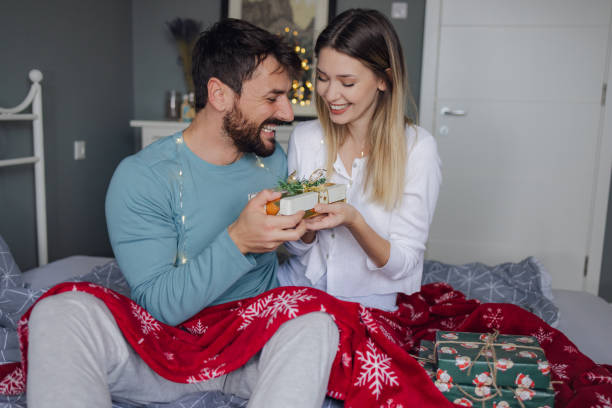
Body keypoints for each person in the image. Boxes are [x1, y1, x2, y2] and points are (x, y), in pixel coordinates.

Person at [26, 19, 339, 408]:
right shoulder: (142, 177)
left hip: (249, 349)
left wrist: (305, 229)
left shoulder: (271, 159)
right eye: (272, 98)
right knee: (57, 313)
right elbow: (161, 307)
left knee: (317, 322)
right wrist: (238, 240)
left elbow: (289, 252)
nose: (289, 114)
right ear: (219, 94)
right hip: (162, 354)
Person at [279, 9, 442, 312]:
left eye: (347, 82)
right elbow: (295, 249)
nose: (330, 94)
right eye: (323, 78)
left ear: (383, 80)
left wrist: (353, 220)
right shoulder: (305, 137)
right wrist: (307, 226)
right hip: (297, 290)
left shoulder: (418, 148)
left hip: (368, 306)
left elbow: (404, 265)